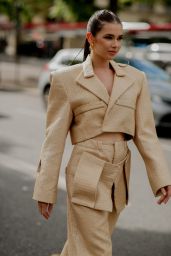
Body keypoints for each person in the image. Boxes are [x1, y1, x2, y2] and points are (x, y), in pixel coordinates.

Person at [33, 9, 171, 256]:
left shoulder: (135, 79)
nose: (115, 44)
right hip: (86, 169)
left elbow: (146, 134)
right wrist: (46, 188)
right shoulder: (66, 79)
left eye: (119, 38)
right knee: (97, 249)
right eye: (108, 37)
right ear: (91, 38)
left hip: (120, 173)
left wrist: (161, 177)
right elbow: (53, 140)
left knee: (82, 245)